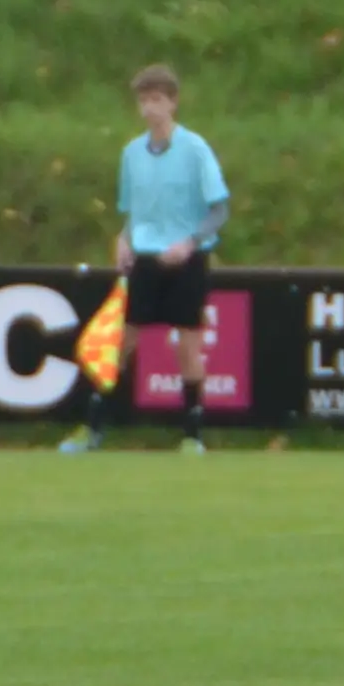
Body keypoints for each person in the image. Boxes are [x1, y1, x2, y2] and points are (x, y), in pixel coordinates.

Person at [68, 63, 230, 456]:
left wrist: (190, 243)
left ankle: (192, 435)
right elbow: (135, 210)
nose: (149, 109)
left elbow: (219, 209)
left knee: (187, 346)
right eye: (143, 101)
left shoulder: (194, 149)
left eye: (157, 100)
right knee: (122, 342)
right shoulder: (132, 153)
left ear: (172, 103)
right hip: (145, 257)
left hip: (185, 261)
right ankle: (92, 429)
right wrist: (123, 238)